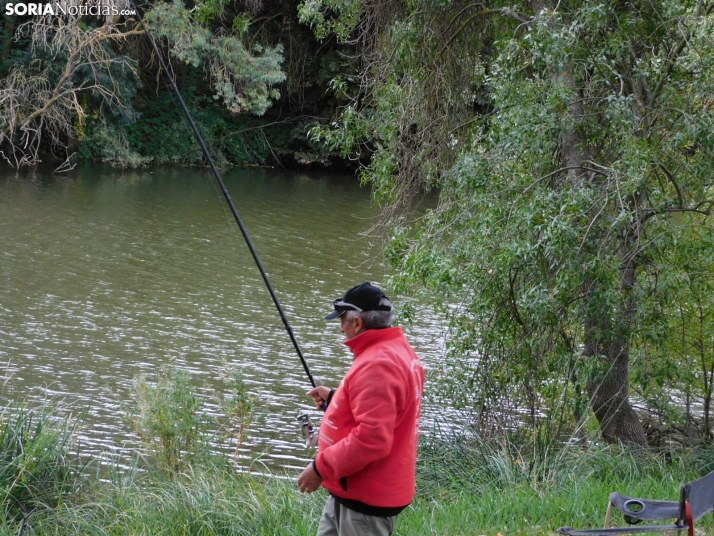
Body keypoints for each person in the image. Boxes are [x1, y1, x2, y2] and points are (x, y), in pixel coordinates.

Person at [297, 282, 425, 536]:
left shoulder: (378, 363)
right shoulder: (396, 350)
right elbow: (390, 410)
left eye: (343, 320)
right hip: (352, 489)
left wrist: (320, 468)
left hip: (367, 499)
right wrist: (336, 399)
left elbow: (372, 439)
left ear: (357, 323)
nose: (341, 327)